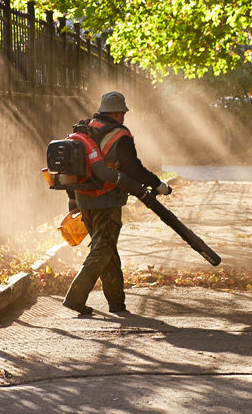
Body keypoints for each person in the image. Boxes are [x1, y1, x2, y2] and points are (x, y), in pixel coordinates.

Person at [62, 91, 172, 316]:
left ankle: (117, 304)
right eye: (121, 112)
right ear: (115, 112)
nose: (123, 116)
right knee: (103, 250)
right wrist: (157, 184)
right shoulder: (119, 135)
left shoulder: (85, 129)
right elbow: (133, 168)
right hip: (106, 199)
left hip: (84, 199)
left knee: (107, 250)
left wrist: (73, 202)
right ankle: (75, 297)